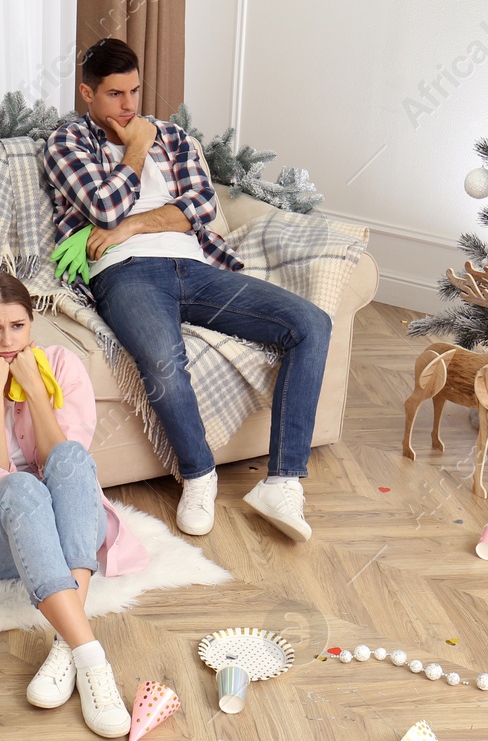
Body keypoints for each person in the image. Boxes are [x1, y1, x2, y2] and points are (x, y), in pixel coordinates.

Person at [43, 37, 331, 542]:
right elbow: (104, 210)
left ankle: (283, 481)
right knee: (161, 361)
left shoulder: (173, 138)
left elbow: (199, 207)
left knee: (310, 324)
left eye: (134, 91)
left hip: (195, 267)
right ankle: (199, 475)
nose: (130, 105)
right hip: (124, 273)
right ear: (86, 94)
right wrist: (135, 151)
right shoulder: (68, 144)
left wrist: (133, 225)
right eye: (114, 94)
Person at [0, 272, 149, 738]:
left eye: (17, 326)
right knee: (22, 487)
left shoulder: (62, 365)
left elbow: (66, 461)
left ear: (32, 321)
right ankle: (94, 662)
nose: (6, 341)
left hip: (58, 532)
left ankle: (67, 645)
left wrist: (36, 390)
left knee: (73, 459)